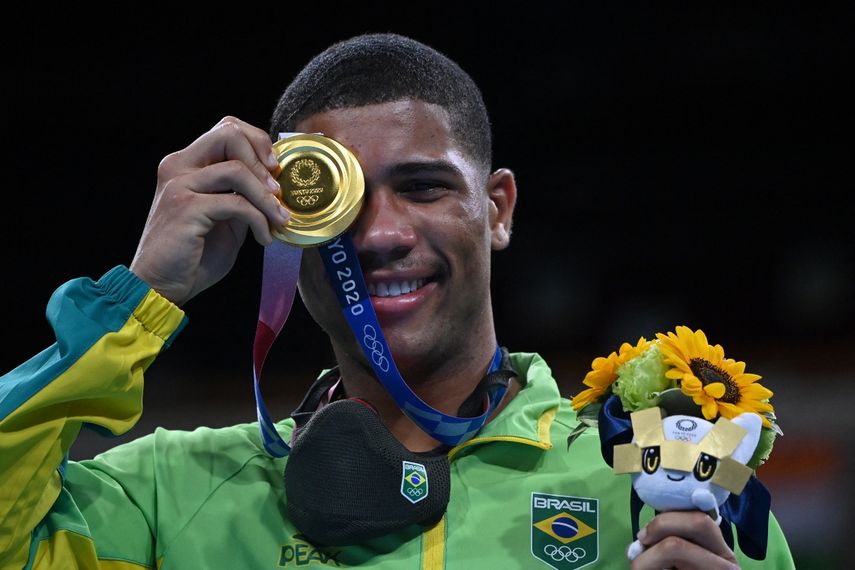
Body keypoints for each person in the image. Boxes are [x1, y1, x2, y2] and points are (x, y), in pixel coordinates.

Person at [0, 33, 793, 569]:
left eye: (422, 187)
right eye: (339, 203)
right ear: (284, 224)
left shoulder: (658, 480)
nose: (379, 234)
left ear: (498, 209)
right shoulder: (167, 494)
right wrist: (140, 298)